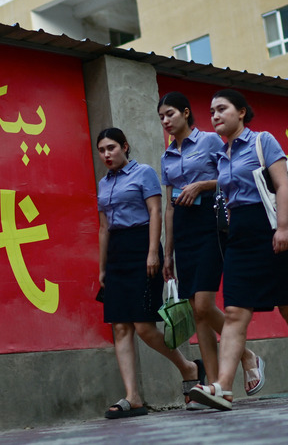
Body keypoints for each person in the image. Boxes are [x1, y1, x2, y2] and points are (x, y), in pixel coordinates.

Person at [188, 90, 288, 411]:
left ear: (241, 112)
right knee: (236, 312)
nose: (215, 116)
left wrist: (281, 228)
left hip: (271, 228)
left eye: (222, 109)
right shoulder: (222, 156)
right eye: (211, 111)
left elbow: (281, 185)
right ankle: (223, 386)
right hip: (239, 235)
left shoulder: (263, 141)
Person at [157, 92, 264, 408]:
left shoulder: (208, 141)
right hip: (184, 229)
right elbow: (168, 206)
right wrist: (167, 252)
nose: (165, 120)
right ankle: (217, 388)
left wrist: (201, 185)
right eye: (161, 116)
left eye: (170, 113)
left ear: (186, 113)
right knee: (196, 311)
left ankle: (246, 354)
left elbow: (230, 175)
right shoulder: (166, 156)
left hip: (210, 223)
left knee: (204, 304)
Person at [96, 127, 204, 419]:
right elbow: (104, 227)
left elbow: (155, 212)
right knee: (120, 327)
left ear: (125, 146)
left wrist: (153, 252)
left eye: (112, 148)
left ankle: (188, 368)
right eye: (102, 150)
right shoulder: (103, 184)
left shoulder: (143, 173)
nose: (107, 154)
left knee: (144, 326)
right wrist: (102, 267)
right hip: (116, 252)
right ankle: (133, 397)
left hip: (141, 245)